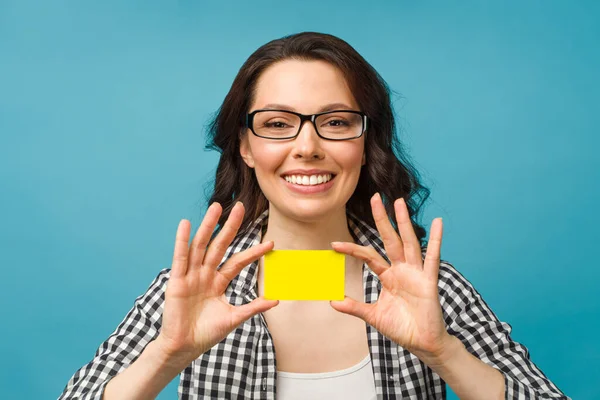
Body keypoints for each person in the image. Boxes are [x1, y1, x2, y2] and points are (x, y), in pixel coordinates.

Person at [58, 32, 569, 400]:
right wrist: (166, 354)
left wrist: (445, 353)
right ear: (245, 147)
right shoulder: (191, 289)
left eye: (336, 122)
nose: (307, 147)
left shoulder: (427, 288)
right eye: (277, 124)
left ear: (367, 145)